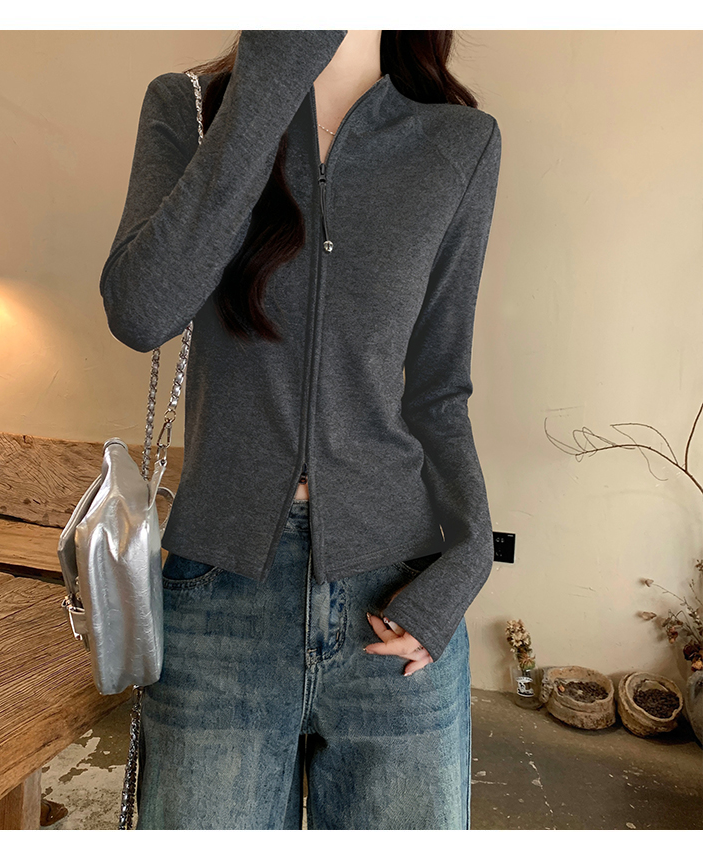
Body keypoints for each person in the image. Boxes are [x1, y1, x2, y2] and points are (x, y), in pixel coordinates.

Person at [100, 30, 502, 830]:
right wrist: (269, 76)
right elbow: (141, 313)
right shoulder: (191, 108)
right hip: (218, 602)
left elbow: (439, 389)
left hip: (398, 601)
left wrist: (469, 556)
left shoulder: (459, 141)